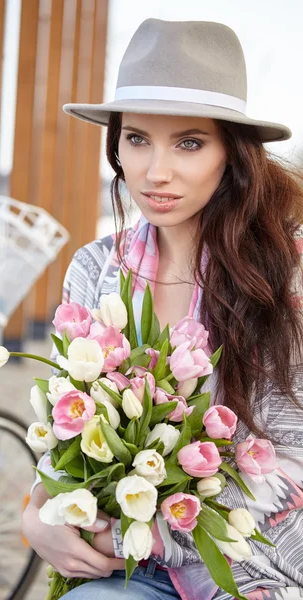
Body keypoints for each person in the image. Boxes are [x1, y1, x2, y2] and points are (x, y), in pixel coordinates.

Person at [22, 19, 303, 600]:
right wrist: (37, 516)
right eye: (137, 138)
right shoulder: (96, 269)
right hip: (123, 571)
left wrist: (143, 530)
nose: (155, 172)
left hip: (258, 570)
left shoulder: (286, 275)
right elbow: (64, 438)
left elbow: (292, 467)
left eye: (190, 143)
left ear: (234, 152)